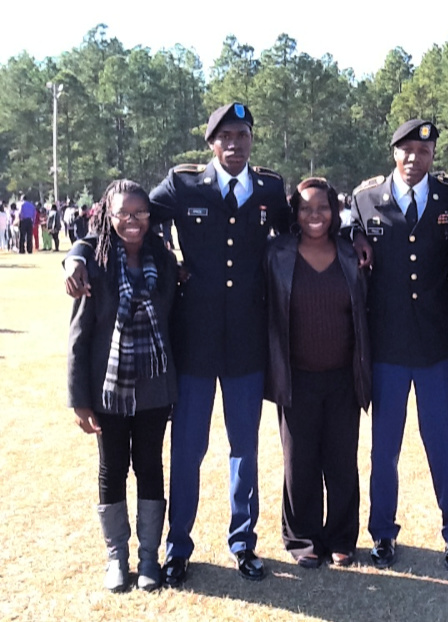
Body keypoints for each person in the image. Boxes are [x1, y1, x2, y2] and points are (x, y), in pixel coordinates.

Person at [65, 102, 290, 585]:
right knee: (188, 450)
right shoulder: (184, 183)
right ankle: (177, 547)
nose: (234, 144)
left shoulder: (271, 188)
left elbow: (305, 230)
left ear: (252, 140)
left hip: (246, 344)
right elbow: (125, 214)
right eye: (224, 136)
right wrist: (77, 254)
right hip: (193, 343)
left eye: (242, 135)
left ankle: (243, 543)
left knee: (244, 450)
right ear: (211, 143)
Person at [349, 119, 448, 572]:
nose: (415, 158)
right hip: (388, 347)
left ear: (433, 154)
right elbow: (344, 236)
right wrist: (355, 235)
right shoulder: (366, 201)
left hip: (437, 346)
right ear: (393, 152)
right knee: (385, 448)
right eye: (407, 150)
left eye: (424, 150)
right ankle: (382, 533)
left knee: (443, 444)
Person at [67, 179, 178, 592]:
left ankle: (149, 557)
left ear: (150, 217)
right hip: (107, 391)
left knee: (150, 467)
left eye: (140, 213)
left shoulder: (164, 263)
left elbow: (173, 324)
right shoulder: (92, 265)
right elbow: (79, 336)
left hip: (154, 387)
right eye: (124, 214)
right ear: (107, 217)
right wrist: (79, 401)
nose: (133, 222)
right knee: (112, 469)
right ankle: (117, 557)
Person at [264, 177, 371, 568]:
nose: (315, 214)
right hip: (295, 376)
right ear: (295, 211)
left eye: (322, 207)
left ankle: (342, 537)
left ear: (334, 211)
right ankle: (302, 538)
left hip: (344, 376)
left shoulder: (351, 254)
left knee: (342, 461)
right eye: (306, 207)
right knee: (299, 462)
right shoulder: (276, 254)